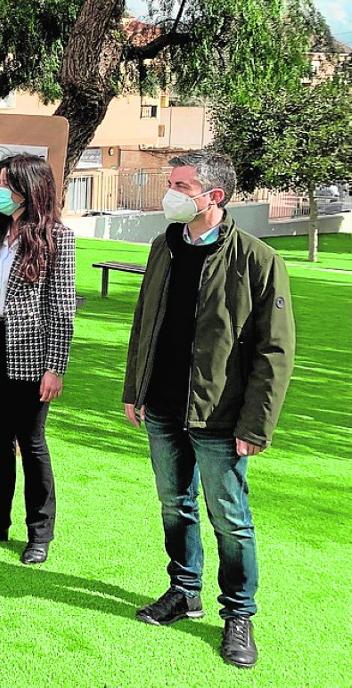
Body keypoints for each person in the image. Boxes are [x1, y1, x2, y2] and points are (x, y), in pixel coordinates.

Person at [123, 151, 294, 669]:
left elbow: (275, 351)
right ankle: (184, 590)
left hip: (219, 415)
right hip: (163, 406)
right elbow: (144, 322)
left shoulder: (258, 260)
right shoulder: (164, 247)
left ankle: (239, 614)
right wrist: (134, 389)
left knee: (230, 519)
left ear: (213, 196)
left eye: (181, 185)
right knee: (174, 505)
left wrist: (255, 425)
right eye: (171, 182)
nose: (169, 193)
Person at [0, 154, 76, 565]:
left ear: (30, 189)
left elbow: (62, 309)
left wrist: (54, 367)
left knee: (31, 440)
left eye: (7, 184)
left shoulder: (58, 238)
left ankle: (39, 533)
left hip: (31, 350)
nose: (0, 192)